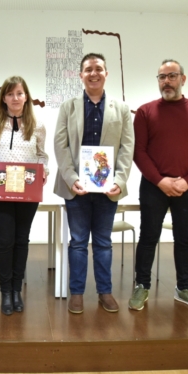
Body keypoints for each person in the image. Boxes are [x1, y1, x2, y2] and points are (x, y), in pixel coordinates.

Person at [130, 59, 188, 312]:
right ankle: (142, 285)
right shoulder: (145, 112)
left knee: (185, 238)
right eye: (161, 77)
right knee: (148, 237)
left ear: (183, 79)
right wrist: (160, 180)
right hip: (153, 186)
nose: (166, 81)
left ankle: (184, 287)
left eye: (171, 76)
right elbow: (139, 151)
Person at [54, 53, 134, 314]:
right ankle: (77, 293)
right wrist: (72, 178)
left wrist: (120, 180)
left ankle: (105, 292)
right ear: (81, 75)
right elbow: (60, 145)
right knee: (77, 241)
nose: (93, 73)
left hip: (107, 189)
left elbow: (126, 148)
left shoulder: (121, 109)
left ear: (106, 73)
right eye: (88, 69)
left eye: (98, 68)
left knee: (103, 242)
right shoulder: (68, 106)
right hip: (76, 188)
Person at [0, 76, 49, 315]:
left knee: (22, 240)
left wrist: (44, 172)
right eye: (10, 94)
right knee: (5, 240)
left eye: (19, 93)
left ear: (26, 96)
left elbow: (42, 155)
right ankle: (5, 291)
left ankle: (16, 289)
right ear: (4, 98)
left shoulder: (37, 124)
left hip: (27, 191)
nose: (15, 98)